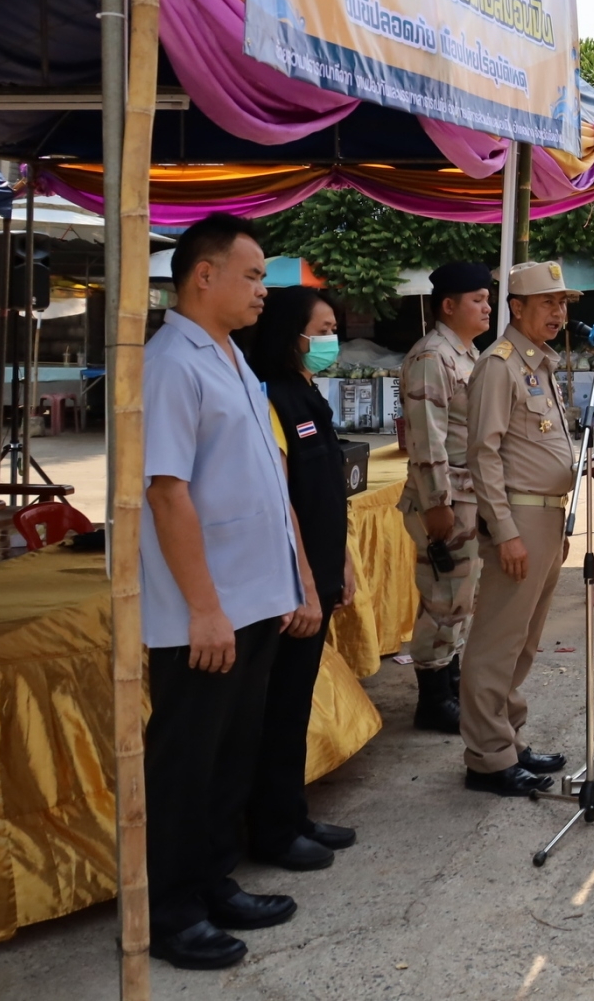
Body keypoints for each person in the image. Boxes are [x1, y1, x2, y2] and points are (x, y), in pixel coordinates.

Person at [140, 214, 316, 970]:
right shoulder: (170, 362)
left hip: (253, 596)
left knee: (229, 754)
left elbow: (263, 478)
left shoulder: (231, 356)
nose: (263, 291)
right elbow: (167, 491)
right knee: (185, 761)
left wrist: (292, 573)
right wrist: (204, 606)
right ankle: (172, 910)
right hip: (202, 607)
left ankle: (213, 878)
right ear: (202, 275)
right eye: (251, 276)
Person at [244, 285, 359, 872]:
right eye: (322, 328)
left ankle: (291, 812)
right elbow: (280, 501)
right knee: (279, 705)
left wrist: (342, 562)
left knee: (296, 701)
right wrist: (305, 583)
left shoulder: (311, 395)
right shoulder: (271, 396)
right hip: (291, 582)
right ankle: (270, 827)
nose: (329, 339)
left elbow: (326, 495)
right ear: (293, 334)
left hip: (319, 569)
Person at [459, 261, 580, 797]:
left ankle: (507, 738)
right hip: (519, 518)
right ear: (517, 308)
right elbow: (482, 454)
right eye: (548, 303)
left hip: (547, 517)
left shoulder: (540, 365)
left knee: (525, 640)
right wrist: (504, 530)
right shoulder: (499, 366)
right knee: (497, 640)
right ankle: (487, 758)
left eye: (562, 304)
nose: (558, 312)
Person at [397, 261, 494, 734]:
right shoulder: (432, 357)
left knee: (460, 597)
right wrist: (438, 504)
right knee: (444, 597)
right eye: (477, 299)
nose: (487, 307)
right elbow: (426, 439)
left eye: (488, 299)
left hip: (466, 496)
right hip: (444, 500)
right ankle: (432, 699)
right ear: (448, 305)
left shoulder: (466, 354)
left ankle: (449, 683)